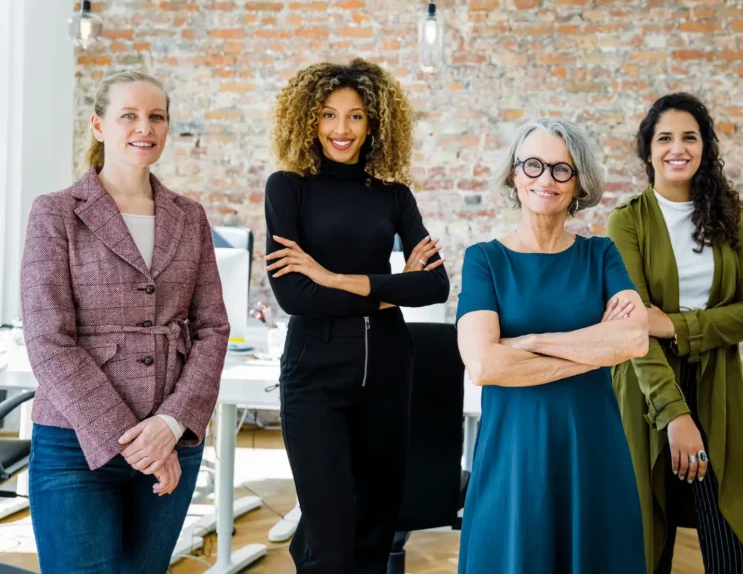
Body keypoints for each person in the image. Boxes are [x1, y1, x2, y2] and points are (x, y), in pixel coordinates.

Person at [20, 70, 229, 573]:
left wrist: (170, 424)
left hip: (170, 439)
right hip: (75, 443)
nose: (145, 127)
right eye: (129, 116)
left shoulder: (189, 215)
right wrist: (136, 442)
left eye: (156, 116)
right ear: (98, 125)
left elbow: (212, 329)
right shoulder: (56, 213)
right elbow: (49, 340)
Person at [264, 59, 450, 573]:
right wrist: (393, 288)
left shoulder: (394, 195)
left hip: (389, 369)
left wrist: (333, 278)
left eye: (355, 117)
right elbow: (294, 296)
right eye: (328, 115)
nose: (341, 130)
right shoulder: (287, 188)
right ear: (309, 119)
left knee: (375, 531)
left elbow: (435, 285)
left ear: (374, 125)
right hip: (314, 373)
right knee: (330, 541)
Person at [456, 118, 648, 574]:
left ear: (579, 183)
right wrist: (595, 347)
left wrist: (535, 342)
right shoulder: (485, 259)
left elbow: (634, 337)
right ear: (514, 174)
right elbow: (484, 364)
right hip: (514, 454)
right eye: (534, 165)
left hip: (593, 449)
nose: (547, 179)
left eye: (562, 170)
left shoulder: (601, 254)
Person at [607, 93, 743, 574]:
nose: (677, 148)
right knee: (645, 538)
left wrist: (675, 324)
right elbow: (633, 327)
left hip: (718, 386)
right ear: (648, 149)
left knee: (731, 540)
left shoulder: (729, 217)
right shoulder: (627, 221)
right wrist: (675, 415)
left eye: (689, 137)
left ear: (705, 147)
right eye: (664, 138)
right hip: (646, 391)